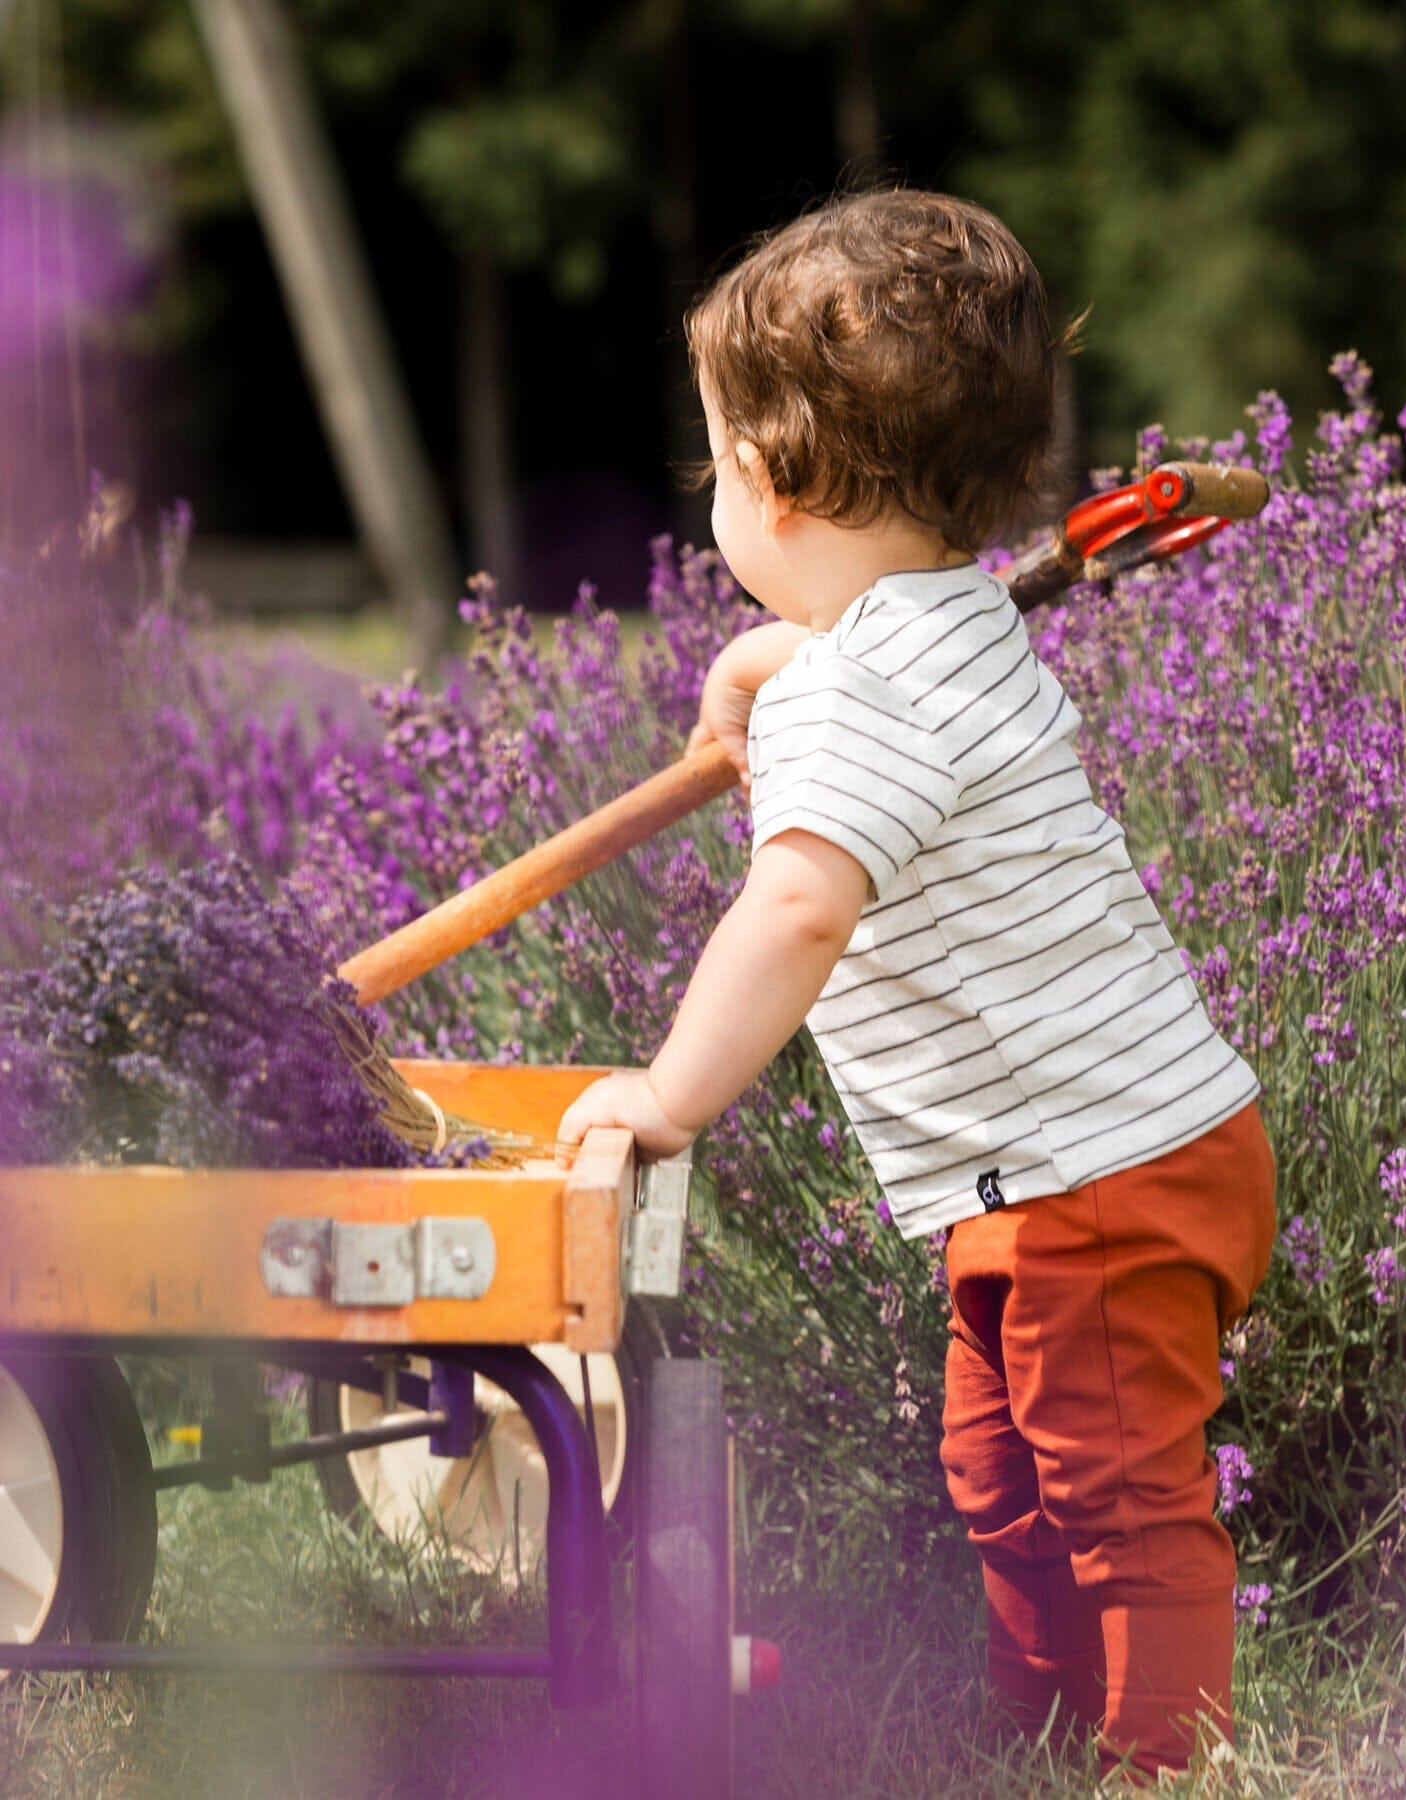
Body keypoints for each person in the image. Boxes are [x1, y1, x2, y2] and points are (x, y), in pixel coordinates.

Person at [554, 188, 1276, 1782]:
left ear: (773, 481)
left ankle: (1166, 1759)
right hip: (1087, 1162)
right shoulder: (940, 623)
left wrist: (671, 1094)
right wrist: (773, 663)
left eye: (712, 467)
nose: (709, 502)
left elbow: (802, 905)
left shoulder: (864, 696)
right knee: (1003, 1472)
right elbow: (867, 679)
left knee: (1111, 1489)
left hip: (1094, 1179)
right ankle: (1038, 1725)